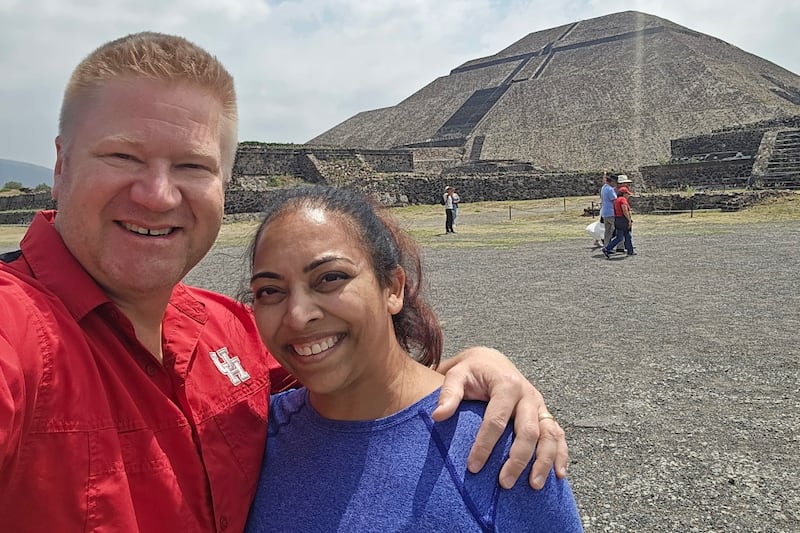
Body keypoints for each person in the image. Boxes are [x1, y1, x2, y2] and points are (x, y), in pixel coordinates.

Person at [0, 32, 568, 531]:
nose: (158, 194)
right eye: (122, 156)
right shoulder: (17, 330)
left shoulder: (231, 332)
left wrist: (476, 363)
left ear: (224, 182)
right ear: (61, 163)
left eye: (193, 167)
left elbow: (359, 377)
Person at [244, 186, 583, 532]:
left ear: (393, 288)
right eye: (270, 291)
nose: (298, 316)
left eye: (330, 278)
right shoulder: (244, 440)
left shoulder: (497, 444)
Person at [602, 187, 636, 258]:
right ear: (624, 194)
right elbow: (625, 210)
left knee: (626, 236)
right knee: (621, 237)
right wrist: (629, 220)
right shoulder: (623, 200)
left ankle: (630, 250)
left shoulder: (616, 200)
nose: (628, 196)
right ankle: (607, 248)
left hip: (617, 219)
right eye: (627, 194)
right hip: (623, 219)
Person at [599, 171, 618, 249]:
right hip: (611, 212)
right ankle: (612, 246)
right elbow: (614, 200)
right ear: (612, 182)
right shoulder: (610, 189)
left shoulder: (604, 187)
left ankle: (606, 245)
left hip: (605, 213)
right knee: (616, 230)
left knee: (607, 231)